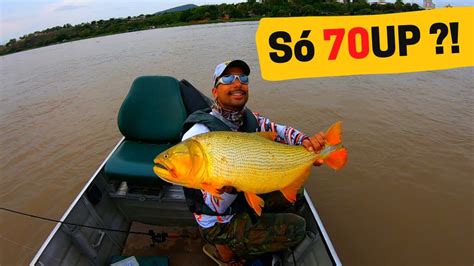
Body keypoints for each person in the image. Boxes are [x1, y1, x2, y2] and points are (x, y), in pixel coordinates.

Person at [181, 60, 326, 265]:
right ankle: (226, 252)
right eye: (228, 78)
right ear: (215, 91)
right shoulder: (198, 136)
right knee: (296, 228)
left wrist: (306, 142)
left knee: (297, 192)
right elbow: (214, 206)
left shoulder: (249, 119)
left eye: (243, 78)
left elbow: (280, 130)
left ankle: (252, 231)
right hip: (218, 220)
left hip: (242, 196)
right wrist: (230, 187)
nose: (238, 83)